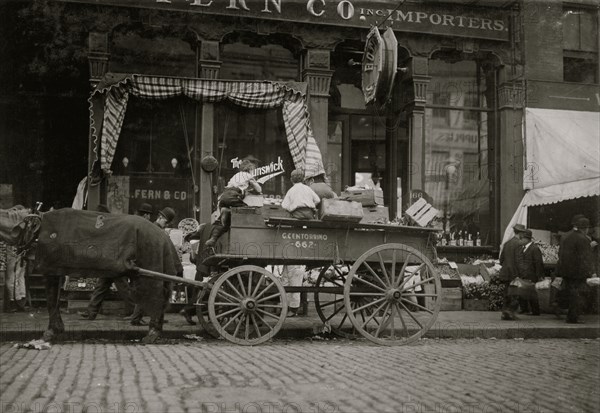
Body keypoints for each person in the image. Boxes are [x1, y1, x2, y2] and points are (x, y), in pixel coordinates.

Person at [80, 204, 134, 321]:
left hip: (114, 262)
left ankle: (133, 312)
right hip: (110, 262)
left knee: (122, 287)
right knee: (103, 287)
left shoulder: (109, 226)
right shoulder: (110, 225)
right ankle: (91, 312)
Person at [205, 159, 262, 248]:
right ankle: (247, 238)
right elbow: (259, 189)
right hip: (233, 197)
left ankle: (213, 239)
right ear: (250, 169)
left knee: (224, 223)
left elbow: (235, 186)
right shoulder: (248, 175)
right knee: (248, 211)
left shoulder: (236, 175)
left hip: (224, 197)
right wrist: (253, 187)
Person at [557, 217, 596, 324]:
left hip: (566, 271)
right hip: (578, 272)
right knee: (578, 295)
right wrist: (591, 272)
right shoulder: (583, 239)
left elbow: (560, 253)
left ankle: (570, 316)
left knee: (570, 293)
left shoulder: (565, 236)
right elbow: (585, 257)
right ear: (585, 228)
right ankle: (572, 318)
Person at [125, 203, 156, 326]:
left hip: (135, 260)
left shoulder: (135, 224)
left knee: (140, 290)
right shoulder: (143, 226)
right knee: (144, 290)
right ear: (147, 215)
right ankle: (136, 318)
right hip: (140, 261)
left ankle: (137, 316)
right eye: (149, 215)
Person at [498, 223, 527, 320]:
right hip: (514, 273)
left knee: (506, 293)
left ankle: (504, 313)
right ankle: (510, 313)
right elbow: (519, 261)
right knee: (515, 294)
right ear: (521, 233)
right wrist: (522, 273)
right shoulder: (518, 244)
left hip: (506, 272)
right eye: (523, 233)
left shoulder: (507, 243)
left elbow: (501, 259)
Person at [516, 229, 545, 316]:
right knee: (522, 291)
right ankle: (524, 309)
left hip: (531, 275)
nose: (520, 240)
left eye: (521, 239)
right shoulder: (523, 248)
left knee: (532, 293)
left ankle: (535, 311)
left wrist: (539, 275)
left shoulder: (534, 249)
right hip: (523, 274)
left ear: (527, 239)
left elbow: (538, 263)